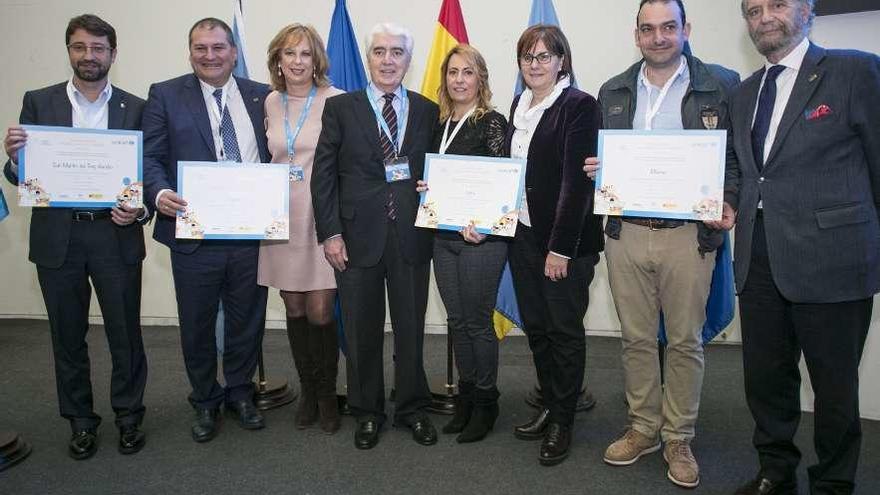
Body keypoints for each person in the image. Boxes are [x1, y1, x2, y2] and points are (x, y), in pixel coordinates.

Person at [723, 1, 880, 493]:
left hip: (831, 258)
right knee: (766, 380)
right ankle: (775, 470)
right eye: (753, 10)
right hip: (759, 255)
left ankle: (834, 482)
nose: (764, 17)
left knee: (834, 387)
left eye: (777, 5)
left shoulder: (855, 71)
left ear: (807, 11)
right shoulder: (744, 92)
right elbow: (744, 170)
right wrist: (728, 203)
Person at [582, 0, 739, 488]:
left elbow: (735, 155)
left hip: (688, 237)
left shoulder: (721, 84)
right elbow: (609, 155)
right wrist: (599, 170)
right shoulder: (614, 89)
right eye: (648, 29)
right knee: (636, 338)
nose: (658, 37)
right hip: (626, 233)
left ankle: (678, 436)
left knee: (686, 341)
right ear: (637, 35)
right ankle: (644, 428)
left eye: (668, 27)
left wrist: (728, 198)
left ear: (685, 29)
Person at [2, 14, 149, 459]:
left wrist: (139, 209)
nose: (90, 56)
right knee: (67, 336)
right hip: (57, 237)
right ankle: (81, 421)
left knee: (125, 334)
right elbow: (24, 174)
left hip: (115, 235)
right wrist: (13, 161)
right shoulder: (38, 103)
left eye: (98, 48)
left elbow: (146, 174)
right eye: (80, 47)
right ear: (69, 50)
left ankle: (128, 416)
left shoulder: (136, 107)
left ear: (112, 54)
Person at [142, 17, 271, 443]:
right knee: (196, 324)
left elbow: (278, 154)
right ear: (190, 51)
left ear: (233, 52)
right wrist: (159, 193)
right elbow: (151, 157)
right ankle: (205, 399)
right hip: (193, 234)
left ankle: (239, 391)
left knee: (246, 320)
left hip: (250, 232)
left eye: (218, 47)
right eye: (201, 47)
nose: (210, 55)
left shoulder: (261, 96)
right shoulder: (165, 95)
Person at [312, 22, 439, 450]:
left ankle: (411, 408)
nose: (388, 60)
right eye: (380, 52)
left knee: (410, 329)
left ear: (408, 59)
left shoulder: (426, 109)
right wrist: (329, 233)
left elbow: (435, 171)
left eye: (397, 52)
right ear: (368, 59)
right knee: (363, 331)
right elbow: (323, 175)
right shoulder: (341, 108)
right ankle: (368, 411)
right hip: (355, 237)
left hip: (410, 237)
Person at [506, 25, 603, 466]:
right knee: (539, 328)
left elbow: (576, 185)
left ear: (562, 60)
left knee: (564, 331)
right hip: (523, 236)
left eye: (545, 56)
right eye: (528, 56)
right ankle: (549, 401)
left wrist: (560, 249)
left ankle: (564, 418)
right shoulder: (518, 105)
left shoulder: (580, 106)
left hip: (565, 242)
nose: (535, 64)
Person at [414, 44, 508, 443]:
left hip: (480, 241)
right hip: (443, 238)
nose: (459, 80)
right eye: (452, 72)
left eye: (467, 72)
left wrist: (486, 225)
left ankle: (487, 401)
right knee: (456, 321)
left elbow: (505, 183)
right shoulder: (438, 124)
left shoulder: (492, 122)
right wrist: (426, 189)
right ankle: (467, 396)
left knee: (477, 322)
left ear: (480, 78)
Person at [259, 23, 344, 434]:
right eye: (289, 54)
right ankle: (308, 391)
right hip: (281, 217)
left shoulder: (338, 101)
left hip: (322, 217)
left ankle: (328, 393)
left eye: (305, 54)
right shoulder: (269, 102)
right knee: (293, 308)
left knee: (320, 309)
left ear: (317, 61)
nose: (296, 61)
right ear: (278, 59)